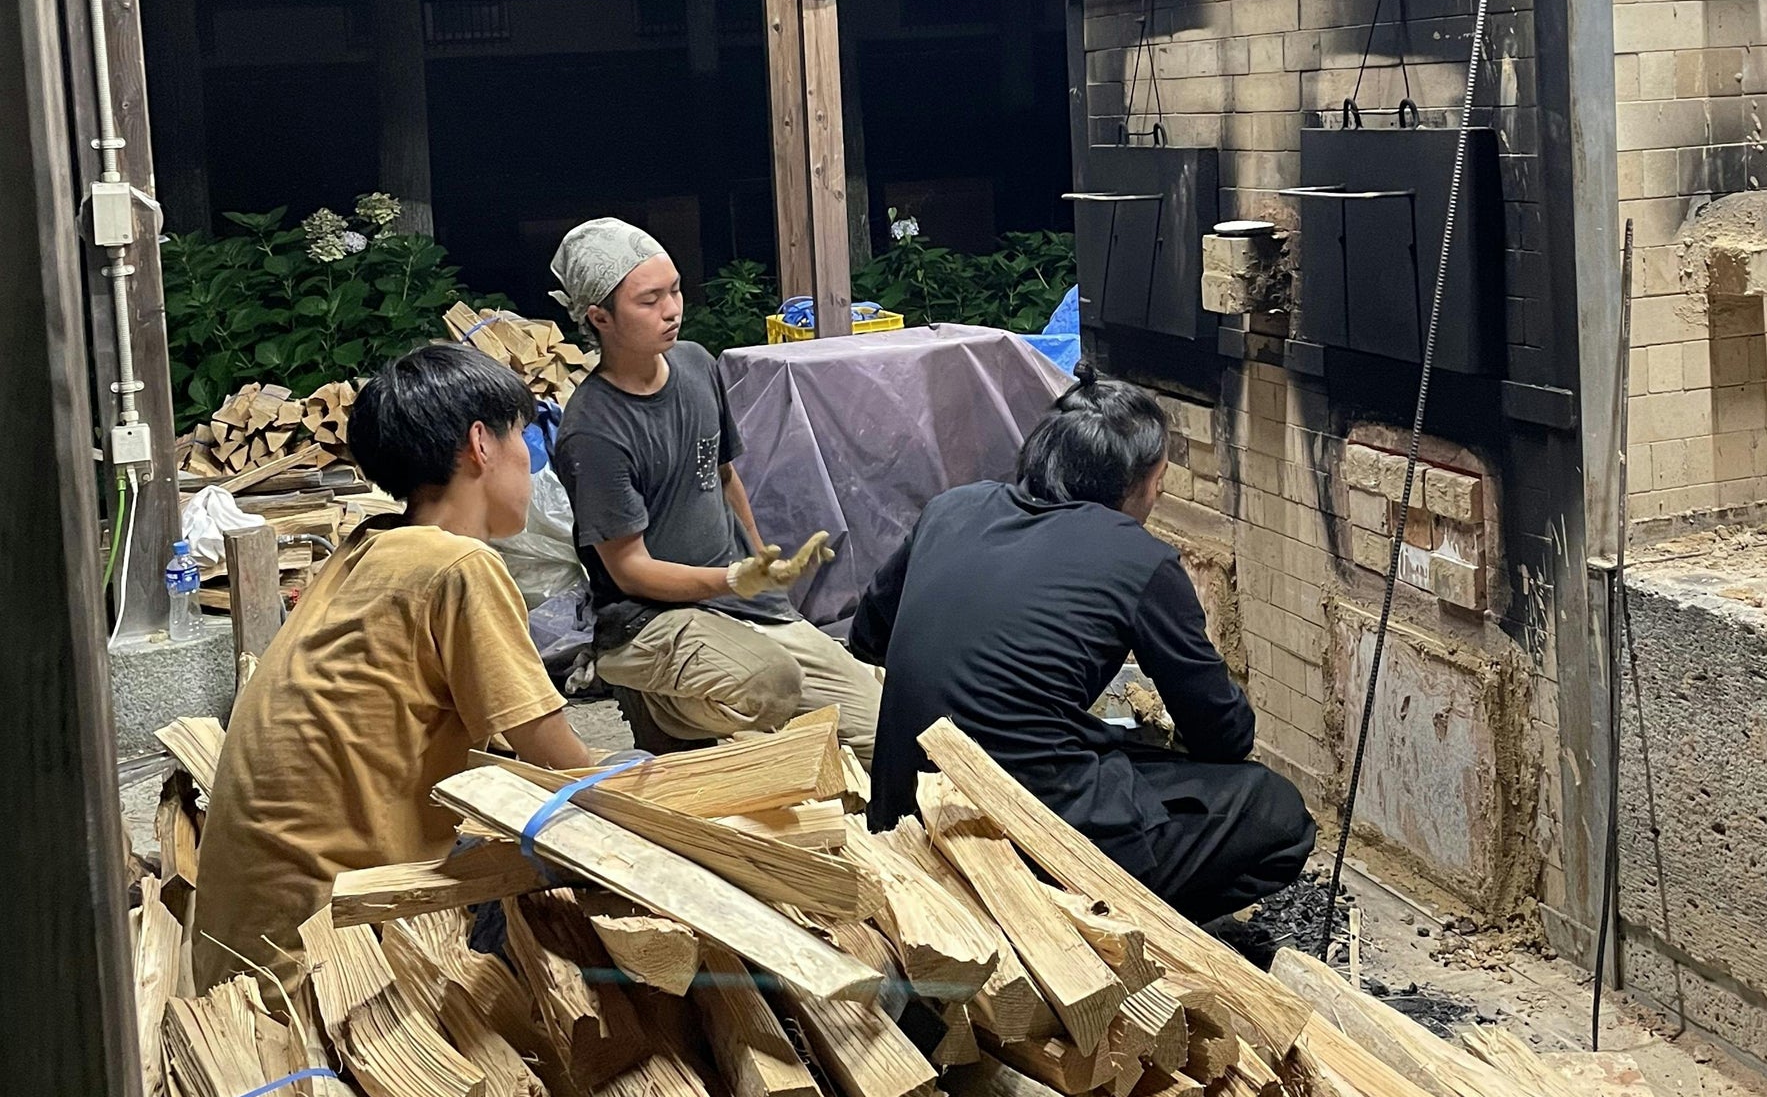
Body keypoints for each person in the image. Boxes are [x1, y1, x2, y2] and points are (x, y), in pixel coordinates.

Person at [192, 344, 595, 995]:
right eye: (521, 437)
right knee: (580, 860)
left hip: (243, 952)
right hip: (326, 968)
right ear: (480, 445)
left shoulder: (367, 546)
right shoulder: (458, 566)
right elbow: (563, 766)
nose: (531, 460)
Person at [851, 361, 1316, 922]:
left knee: (1116, 746)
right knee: (1278, 814)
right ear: (1133, 483)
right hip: (1020, 839)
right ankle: (1101, 920)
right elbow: (1224, 737)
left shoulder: (952, 506)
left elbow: (867, 638)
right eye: (1159, 482)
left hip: (901, 811)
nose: (1159, 495)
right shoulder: (1137, 556)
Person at [549, 218, 882, 760]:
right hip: (648, 620)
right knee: (771, 684)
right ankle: (659, 706)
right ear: (599, 317)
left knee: (877, 731)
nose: (672, 310)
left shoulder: (695, 363)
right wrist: (729, 580)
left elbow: (723, 475)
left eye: (675, 290)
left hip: (737, 599)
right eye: (650, 300)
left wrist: (761, 564)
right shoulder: (593, 430)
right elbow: (630, 569)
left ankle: (730, 702)